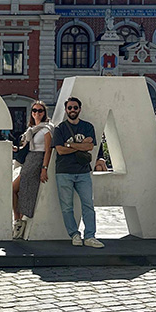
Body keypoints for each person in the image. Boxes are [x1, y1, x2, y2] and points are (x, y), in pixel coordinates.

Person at [52, 97, 104, 248]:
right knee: (67, 207)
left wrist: (69, 144)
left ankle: (90, 236)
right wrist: (80, 145)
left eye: (75, 107)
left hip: (83, 172)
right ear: (66, 110)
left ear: (79, 109)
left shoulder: (87, 126)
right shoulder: (60, 128)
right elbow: (60, 150)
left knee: (88, 205)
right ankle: (74, 234)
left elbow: (89, 147)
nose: (72, 110)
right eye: (70, 108)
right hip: (64, 172)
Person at [12, 101, 53, 239]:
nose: (37, 113)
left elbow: (48, 150)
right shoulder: (32, 129)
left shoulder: (47, 129)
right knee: (15, 189)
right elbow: (27, 147)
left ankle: (21, 221)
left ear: (44, 112)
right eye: (34, 110)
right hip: (29, 160)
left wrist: (44, 168)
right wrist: (17, 149)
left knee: (27, 190)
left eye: (40, 110)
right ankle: (18, 221)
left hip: (37, 161)